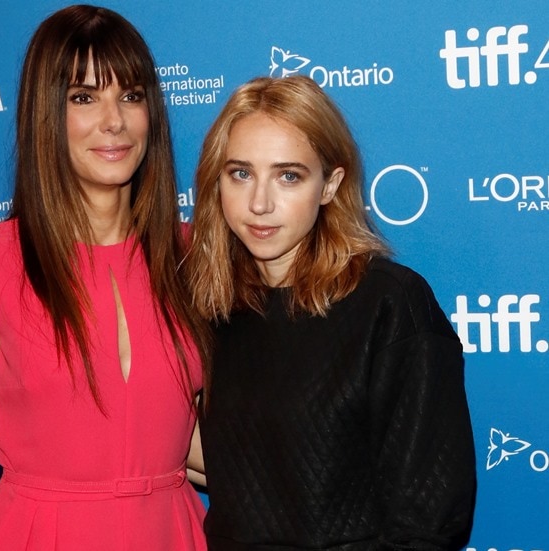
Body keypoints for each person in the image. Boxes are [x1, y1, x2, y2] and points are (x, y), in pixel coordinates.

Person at [0, 5, 210, 550]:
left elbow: (199, 437)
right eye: (84, 97)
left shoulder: (193, 256)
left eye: (131, 96)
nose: (115, 121)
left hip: (170, 533)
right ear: (45, 112)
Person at [186, 75, 476, 550]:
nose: (259, 202)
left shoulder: (389, 304)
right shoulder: (209, 305)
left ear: (330, 185)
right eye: (240, 173)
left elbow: (428, 523)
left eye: (288, 175)